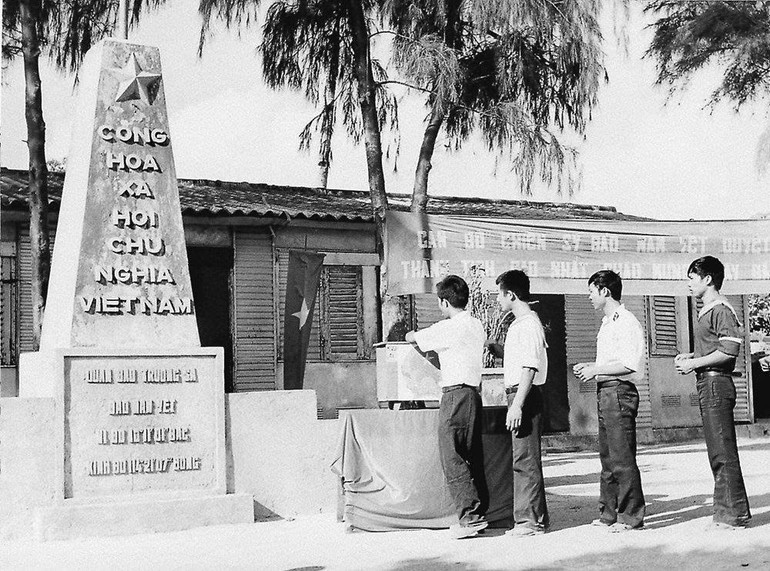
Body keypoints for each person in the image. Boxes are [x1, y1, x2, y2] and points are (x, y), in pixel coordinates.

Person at [405, 275, 488, 539]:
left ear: (444, 302)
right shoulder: (477, 325)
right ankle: (480, 513)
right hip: (473, 395)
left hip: (453, 395)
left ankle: (470, 517)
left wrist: (413, 336)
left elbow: (412, 337)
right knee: (472, 455)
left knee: (452, 456)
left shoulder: (447, 327)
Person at [674, 256, 752, 530]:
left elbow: (729, 351)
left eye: (692, 278)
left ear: (708, 279)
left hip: (716, 384)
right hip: (709, 383)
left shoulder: (721, 309)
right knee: (717, 451)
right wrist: (692, 356)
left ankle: (733, 515)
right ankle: (727, 513)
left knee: (722, 451)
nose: (688, 284)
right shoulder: (708, 310)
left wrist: (695, 363)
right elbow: (714, 348)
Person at [573, 270, 646, 532]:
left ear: (605, 291)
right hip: (605, 391)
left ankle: (631, 516)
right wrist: (592, 367)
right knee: (608, 457)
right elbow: (609, 362)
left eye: (591, 291)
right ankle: (609, 513)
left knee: (622, 456)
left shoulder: (625, 321)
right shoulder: (607, 323)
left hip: (619, 392)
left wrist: (595, 370)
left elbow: (629, 365)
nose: (589, 297)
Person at [494, 269, 549, 536]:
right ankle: (536, 518)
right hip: (520, 393)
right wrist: (498, 351)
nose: (498, 299)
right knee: (525, 457)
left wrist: (517, 404)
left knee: (525, 459)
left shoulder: (528, 324)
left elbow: (529, 368)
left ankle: (529, 521)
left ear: (511, 295)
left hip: (523, 394)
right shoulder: (522, 324)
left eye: (500, 294)